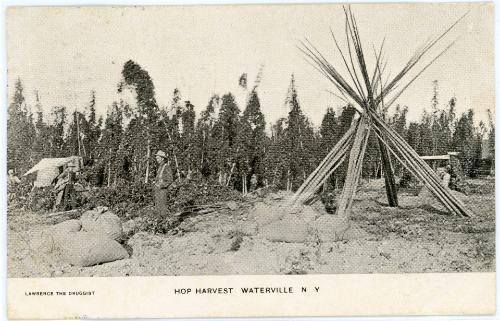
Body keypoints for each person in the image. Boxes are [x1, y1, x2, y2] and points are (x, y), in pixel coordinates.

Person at [154, 150, 174, 214]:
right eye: (156, 158)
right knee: (158, 208)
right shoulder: (160, 167)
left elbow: (170, 180)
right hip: (157, 190)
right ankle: (160, 222)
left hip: (163, 190)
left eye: (158, 158)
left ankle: (164, 222)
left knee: (163, 209)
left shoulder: (166, 167)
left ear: (162, 158)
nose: (157, 159)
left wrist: (161, 185)